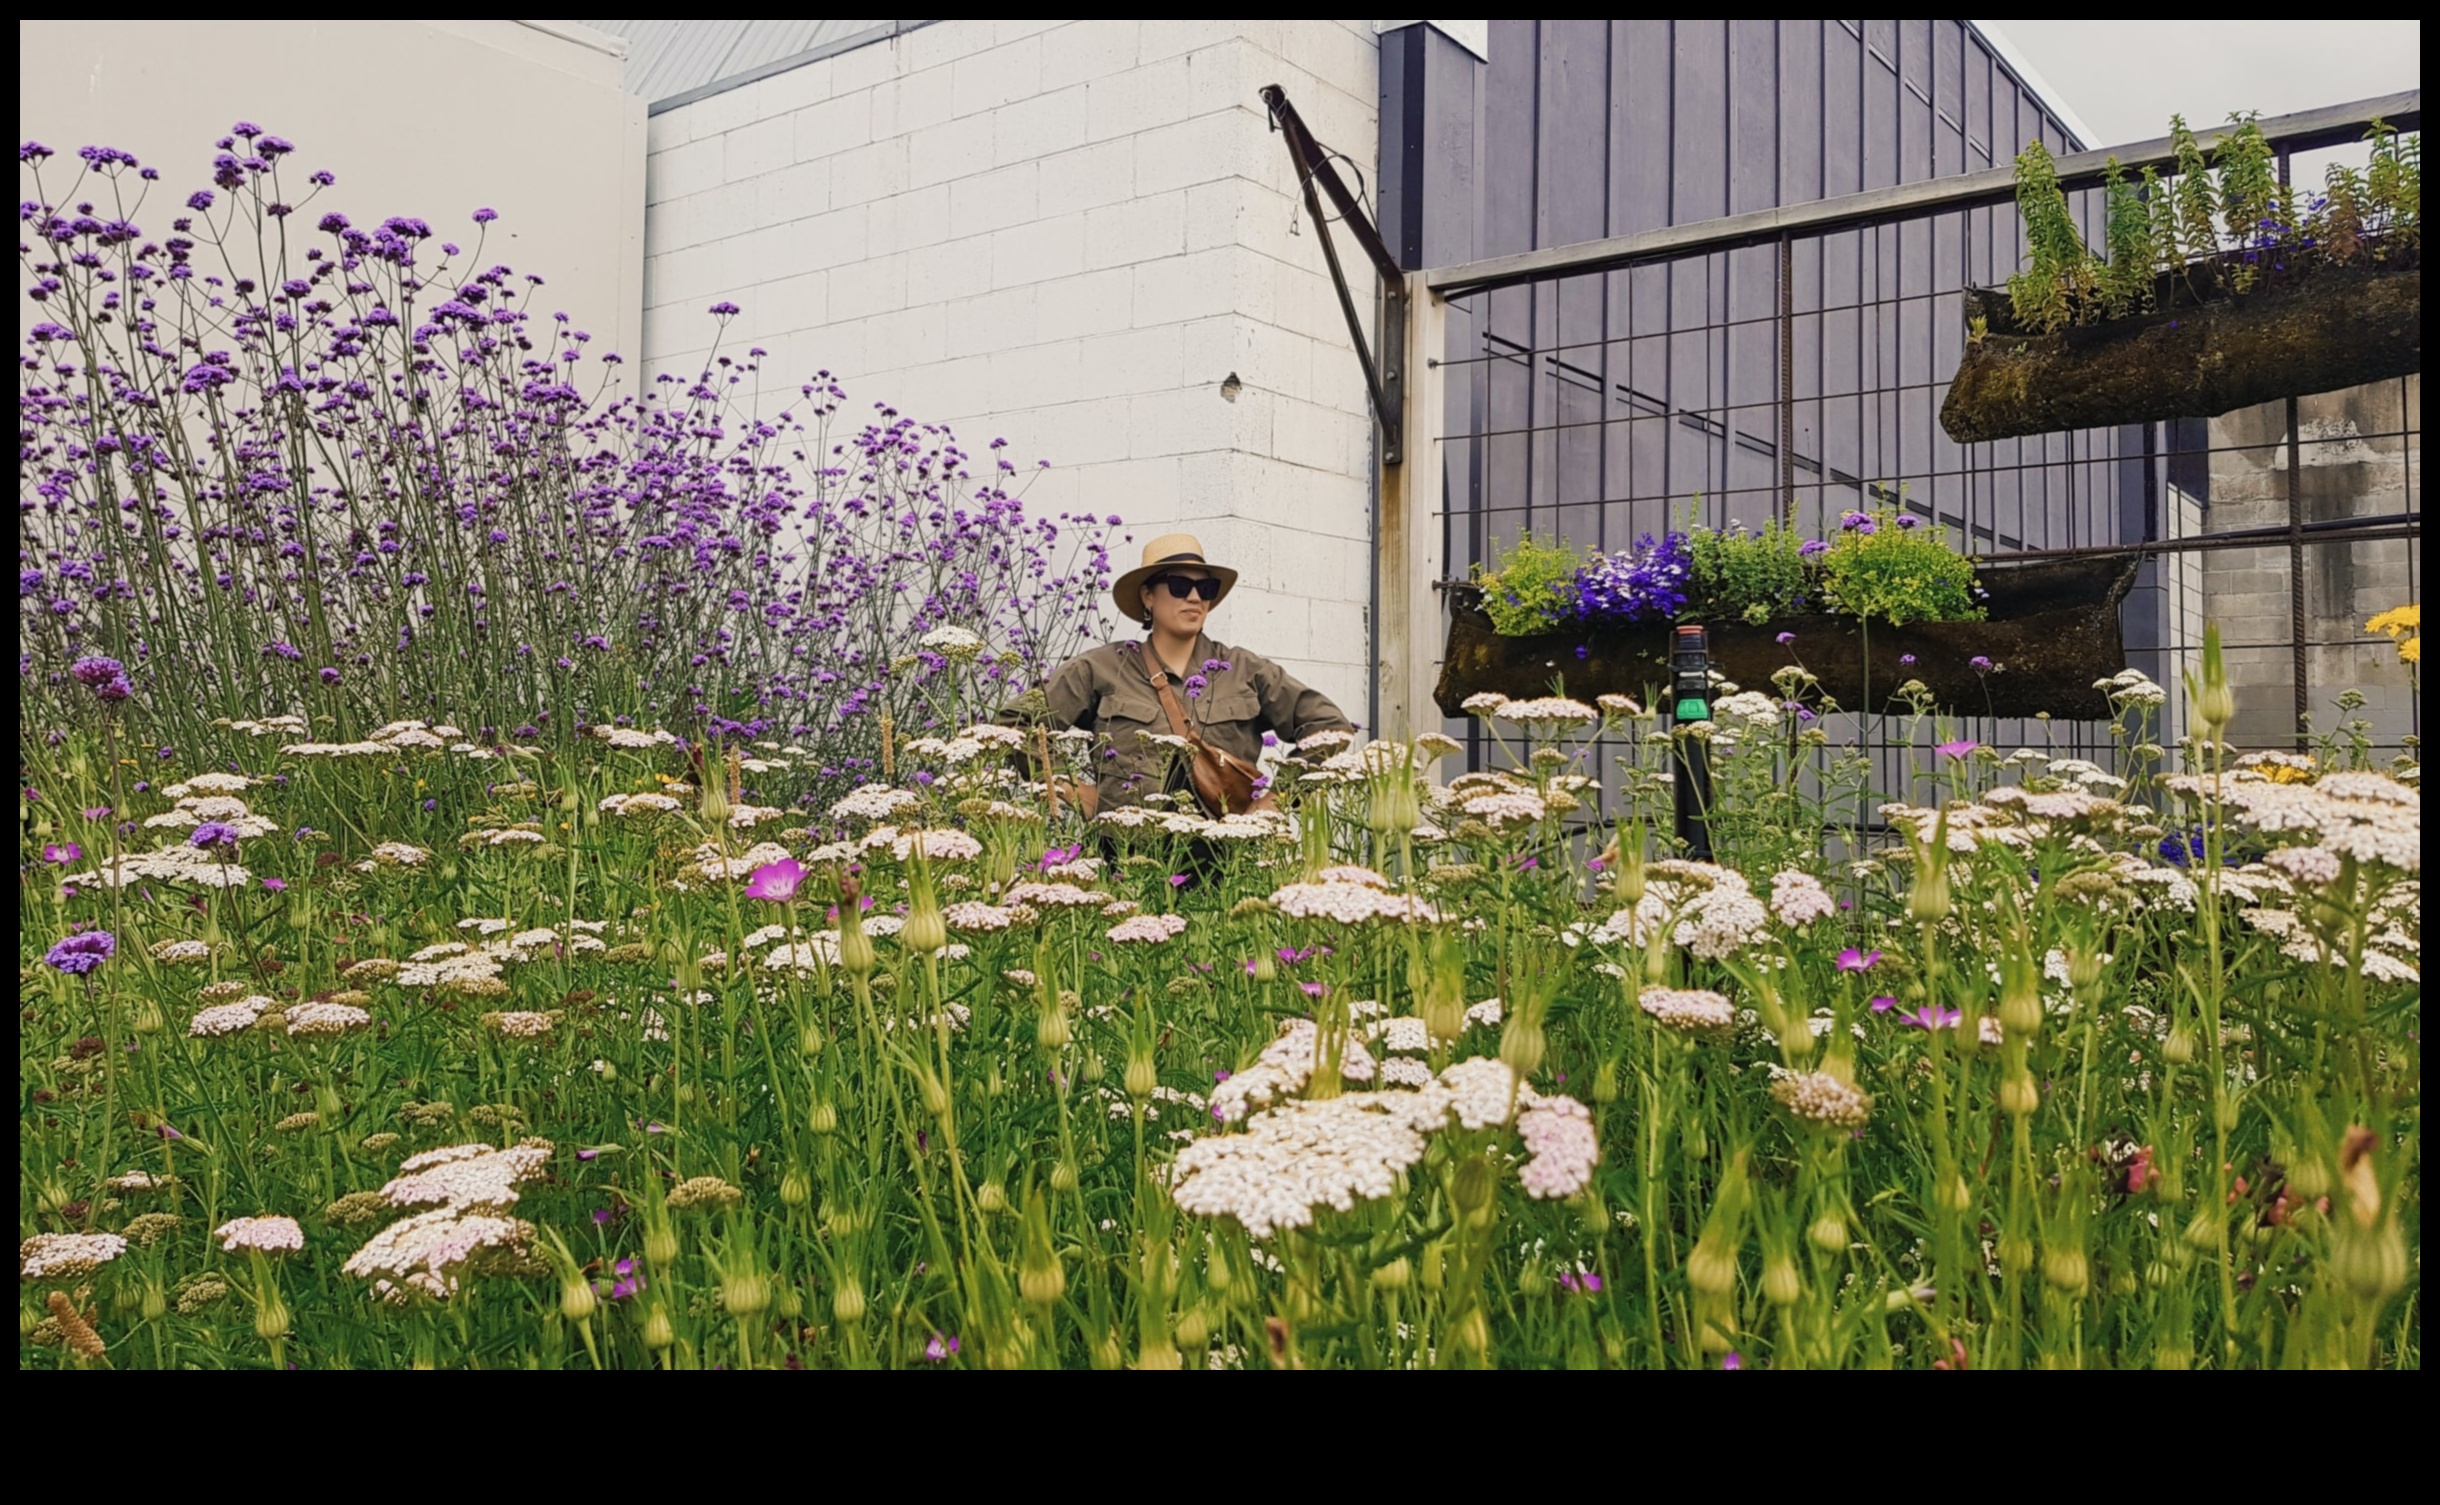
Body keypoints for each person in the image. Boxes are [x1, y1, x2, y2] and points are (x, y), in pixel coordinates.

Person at [1025, 533, 1355, 817]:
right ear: (1148, 596)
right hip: (1124, 854)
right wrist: (1067, 789)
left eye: (1205, 588)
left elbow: (1330, 728)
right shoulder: (1102, 668)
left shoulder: (1245, 670)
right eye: (1180, 586)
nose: (1195, 597)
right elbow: (1017, 727)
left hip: (1227, 858)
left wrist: (1277, 800)